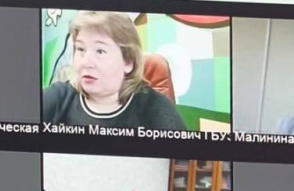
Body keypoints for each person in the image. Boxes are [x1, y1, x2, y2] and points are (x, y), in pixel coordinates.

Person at [42, 11, 187, 130]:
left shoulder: (156, 110)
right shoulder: (57, 98)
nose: (86, 62)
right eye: (81, 49)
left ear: (128, 61)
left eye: (100, 51)